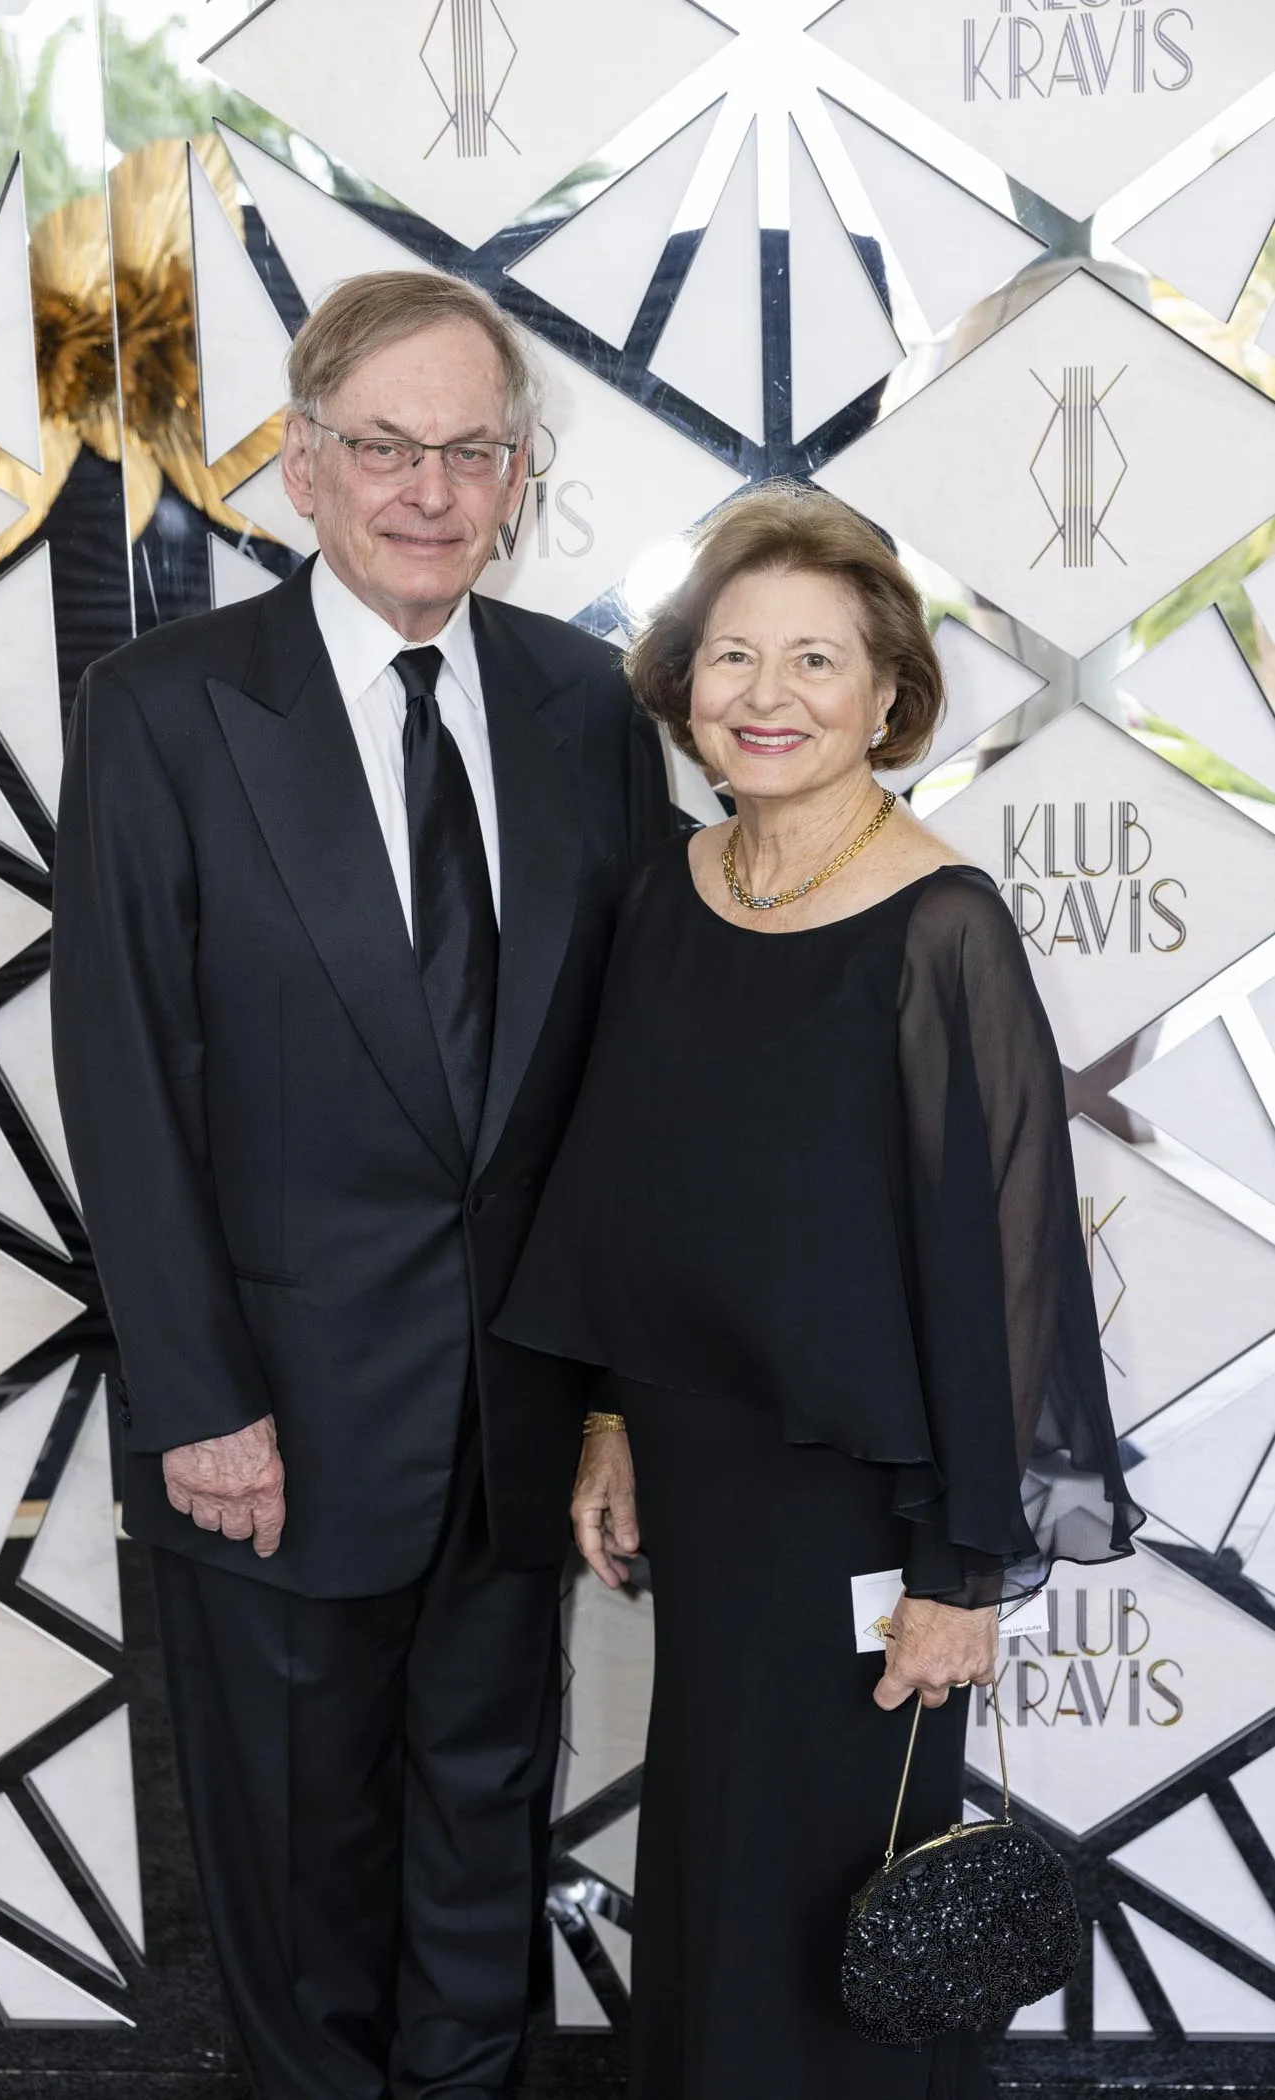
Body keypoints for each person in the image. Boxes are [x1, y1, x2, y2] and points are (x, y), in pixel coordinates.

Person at [50, 269, 670, 2100]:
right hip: (274, 1425)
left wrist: (611, 1399)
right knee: (300, 1886)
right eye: (387, 445)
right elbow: (125, 1076)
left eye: (470, 450)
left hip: (515, 1418)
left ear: (518, 475)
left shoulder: (582, 702)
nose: (429, 489)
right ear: (302, 464)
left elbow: (625, 1079)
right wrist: (199, 1399)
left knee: (484, 1856)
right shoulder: (165, 708)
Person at [495, 484, 1142, 2100]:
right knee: (715, 1858)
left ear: (887, 694)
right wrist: (611, 1421)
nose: (766, 696)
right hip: (703, 1474)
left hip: (869, 1512)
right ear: (684, 683)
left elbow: (1005, 1275)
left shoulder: (943, 927)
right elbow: (626, 1187)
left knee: (847, 1899)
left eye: (814, 661)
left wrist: (960, 1572)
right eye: (733, 657)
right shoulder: (671, 886)